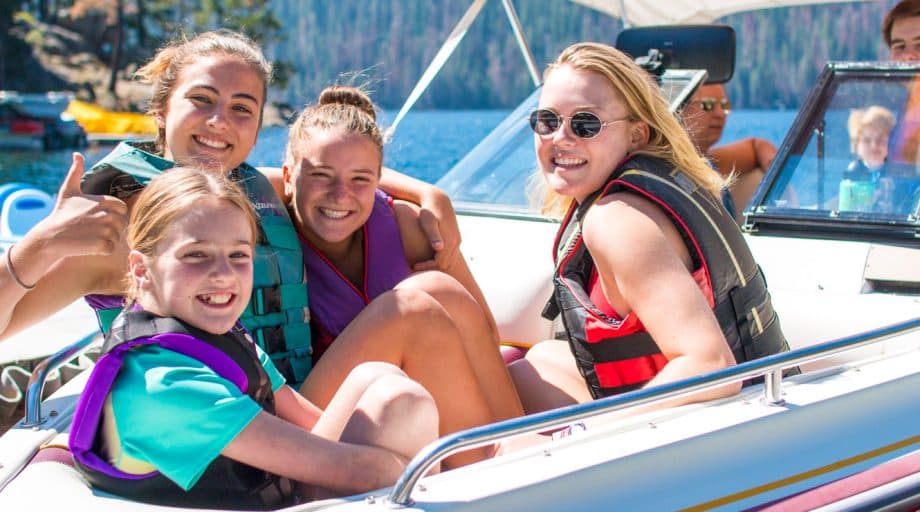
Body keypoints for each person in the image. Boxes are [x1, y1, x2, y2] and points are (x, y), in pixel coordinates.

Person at [0, 30, 461, 387]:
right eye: (201, 100)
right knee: (416, 309)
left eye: (242, 108)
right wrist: (41, 245)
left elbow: (323, 172)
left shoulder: (248, 186)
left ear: (259, 128)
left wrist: (427, 193)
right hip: (216, 421)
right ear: (161, 109)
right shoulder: (119, 220)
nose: (219, 122)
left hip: (292, 403)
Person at [69, 168, 438, 510]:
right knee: (403, 404)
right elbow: (358, 472)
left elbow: (312, 426)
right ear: (140, 268)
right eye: (196, 254)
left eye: (238, 255)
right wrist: (441, 472)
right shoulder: (163, 384)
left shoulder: (211, 332)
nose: (223, 274)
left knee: (375, 380)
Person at [508, 42, 793, 414]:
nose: (560, 138)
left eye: (585, 124)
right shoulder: (657, 184)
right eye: (547, 121)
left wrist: (598, 432)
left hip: (730, 425)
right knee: (538, 362)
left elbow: (710, 365)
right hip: (759, 398)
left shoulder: (618, 220)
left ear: (637, 135)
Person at [281, 85, 523, 466]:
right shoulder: (270, 217)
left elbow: (484, 332)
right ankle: (481, 472)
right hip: (314, 416)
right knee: (413, 305)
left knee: (438, 290)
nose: (339, 195)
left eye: (360, 179)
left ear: (378, 180)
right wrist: (427, 190)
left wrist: (431, 197)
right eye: (321, 175)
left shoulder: (403, 226)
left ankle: (520, 443)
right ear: (288, 176)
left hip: (408, 399)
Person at [681, 83, 777, 223]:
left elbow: (756, 145)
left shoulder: (711, 162)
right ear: (680, 110)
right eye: (708, 105)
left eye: (725, 106)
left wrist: (776, 172)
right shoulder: (659, 168)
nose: (720, 114)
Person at [841, 106, 897, 212]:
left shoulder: (897, 174)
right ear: (856, 144)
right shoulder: (852, 174)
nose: (874, 146)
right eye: (867, 140)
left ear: (892, 143)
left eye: (880, 139)